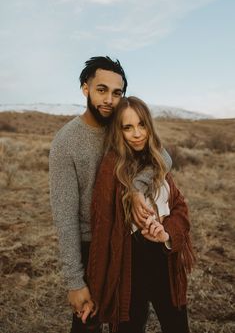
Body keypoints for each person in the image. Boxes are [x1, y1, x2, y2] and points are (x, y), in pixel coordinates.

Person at [49, 57, 172, 333]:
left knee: (130, 321)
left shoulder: (124, 128)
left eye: (117, 93)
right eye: (101, 89)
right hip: (90, 246)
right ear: (85, 89)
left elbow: (163, 157)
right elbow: (65, 217)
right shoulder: (65, 142)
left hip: (129, 241)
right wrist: (74, 282)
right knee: (86, 324)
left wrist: (135, 189)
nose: (109, 99)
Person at [87, 96, 195, 333]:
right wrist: (94, 288)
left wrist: (166, 233)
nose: (137, 134)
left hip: (166, 262)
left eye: (142, 125)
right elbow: (102, 229)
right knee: (130, 326)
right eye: (128, 127)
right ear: (119, 131)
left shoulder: (158, 162)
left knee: (177, 326)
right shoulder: (111, 168)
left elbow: (180, 209)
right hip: (129, 265)